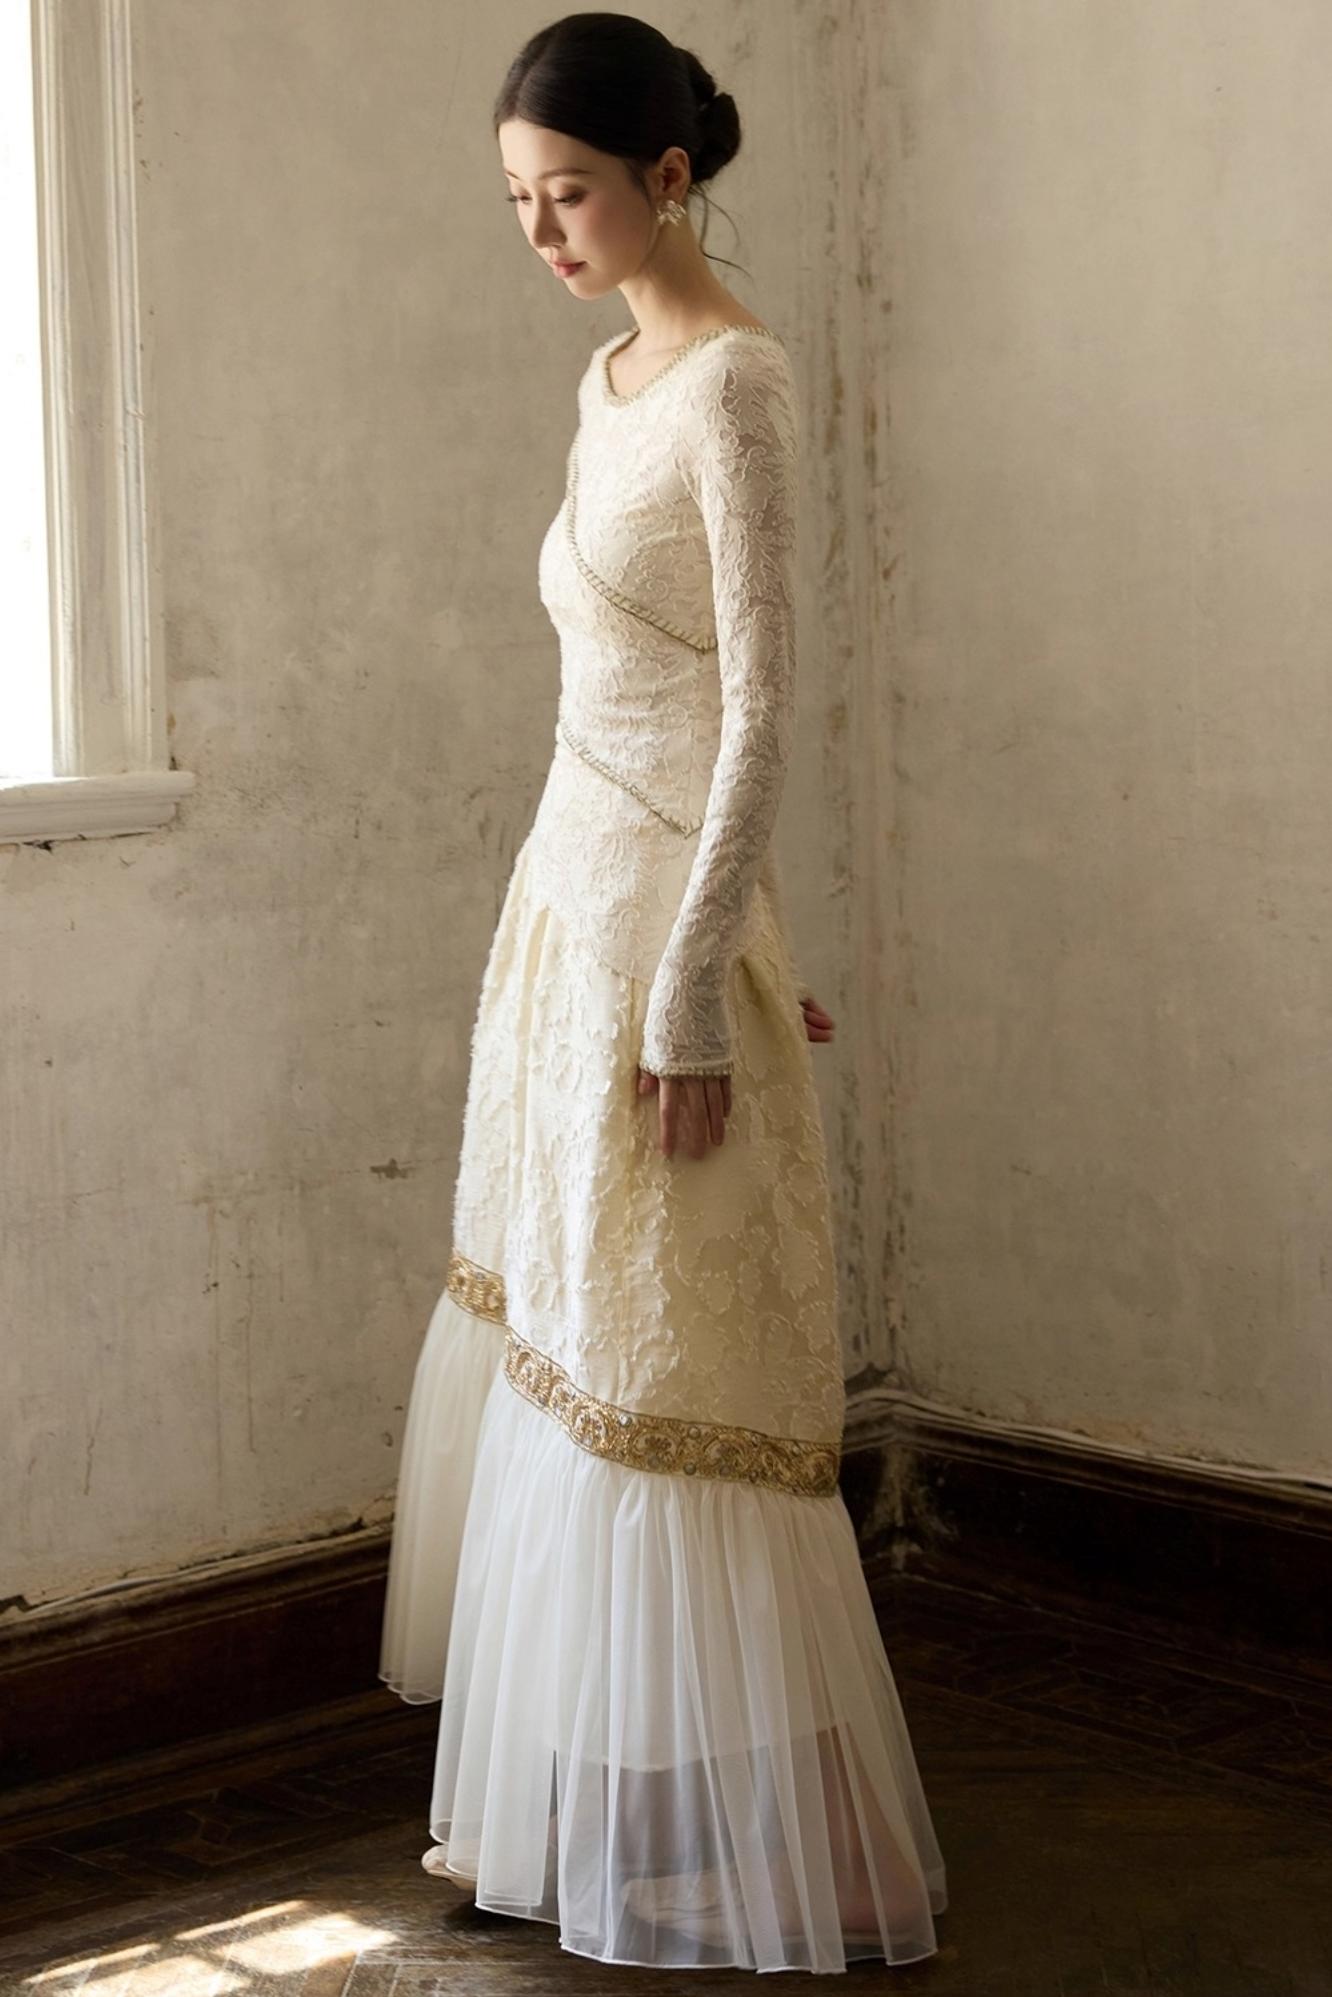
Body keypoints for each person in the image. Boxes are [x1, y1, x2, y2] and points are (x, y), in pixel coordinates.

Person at [378, 12, 948, 1975]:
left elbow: (764, 707)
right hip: (573, 917)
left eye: (571, 195)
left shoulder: (737, 387)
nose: (544, 233)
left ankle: (835, 1867)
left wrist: (704, 985)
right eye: (520, 204)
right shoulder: (607, 377)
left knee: (680, 1371)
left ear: (669, 176)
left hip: (657, 965)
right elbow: (641, 702)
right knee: (579, 1346)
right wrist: (723, 939)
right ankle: (595, 1822)